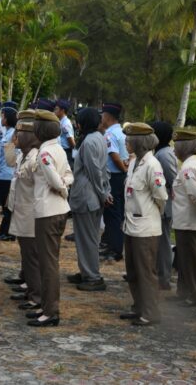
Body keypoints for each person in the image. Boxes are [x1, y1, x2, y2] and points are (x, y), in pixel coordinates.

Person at [119, 123, 167, 326]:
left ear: (139, 142)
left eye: (129, 140)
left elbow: (161, 196)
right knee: (133, 270)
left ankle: (151, 312)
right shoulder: (134, 162)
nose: (126, 143)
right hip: (131, 225)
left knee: (146, 271)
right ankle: (138, 306)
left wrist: (150, 214)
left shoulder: (152, 165)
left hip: (146, 228)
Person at [29, 109, 73, 327]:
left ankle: (51, 311)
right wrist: (64, 185)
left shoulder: (44, 153)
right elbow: (69, 175)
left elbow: (58, 181)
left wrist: (63, 189)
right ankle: (45, 306)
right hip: (56, 210)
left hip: (49, 211)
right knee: (48, 261)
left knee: (47, 264)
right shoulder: (59, 149)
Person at [67, 107, 111, 292]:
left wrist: (103, 193)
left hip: (88, 195)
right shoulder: (98, 138)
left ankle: (92, 276)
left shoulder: (90, 142)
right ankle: (87, 270)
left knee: (87, 239)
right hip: (93, 194)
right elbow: (103, 169)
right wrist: (105, 191)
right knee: (88, 237)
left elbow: (95, 171)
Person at [171, 130, 196, 308]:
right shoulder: (194, 164)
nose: (174, 150)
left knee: (192, 260)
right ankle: (185, 291)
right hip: (186, 220)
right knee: (185, 259)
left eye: (177, 146)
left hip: (190, 221)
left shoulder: (188, 168)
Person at [7, 110, 41, 311]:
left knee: (32, 257)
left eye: (18, 134)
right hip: (21, 212)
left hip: (30, 214)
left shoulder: (35, 159)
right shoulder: (24, 156)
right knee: (27, 256)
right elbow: (10, 160)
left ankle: (36, 296)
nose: (15, 137)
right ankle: (30, 290)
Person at [149, 121, 176, 290]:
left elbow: (172, 180)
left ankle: (164, 276)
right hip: (161, 202)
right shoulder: (160, 152)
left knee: (164, 242)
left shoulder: (164, 155)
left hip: (164, 204)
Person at [100, 103, 129, 262]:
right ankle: (112, 244)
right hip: (122, 177)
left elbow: (115, 156)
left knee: (112, 215)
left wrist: (123, 170)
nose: (101, 117)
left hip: (115, 177)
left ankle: (115, 249)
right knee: (117, 213)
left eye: (103, 114)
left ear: (108, 116)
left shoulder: (110, 134)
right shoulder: (123, 132)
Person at [0, 102, 18, 240]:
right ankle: (4, 230)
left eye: (2, 116)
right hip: (2, 172)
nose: (1, 119)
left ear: (7, 118)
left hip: (8, 173)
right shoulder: (7, 132)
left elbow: (14, 154)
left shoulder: (13, 133)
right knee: (4, 204)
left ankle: (8, 232)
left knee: (8, 205)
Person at [54, 99, 76, 163]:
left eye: (56, 109)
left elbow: (71, 141)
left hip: (66, 151)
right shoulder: (61, 121)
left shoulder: (66, 124)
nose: (54, 111)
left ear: (62, 111)